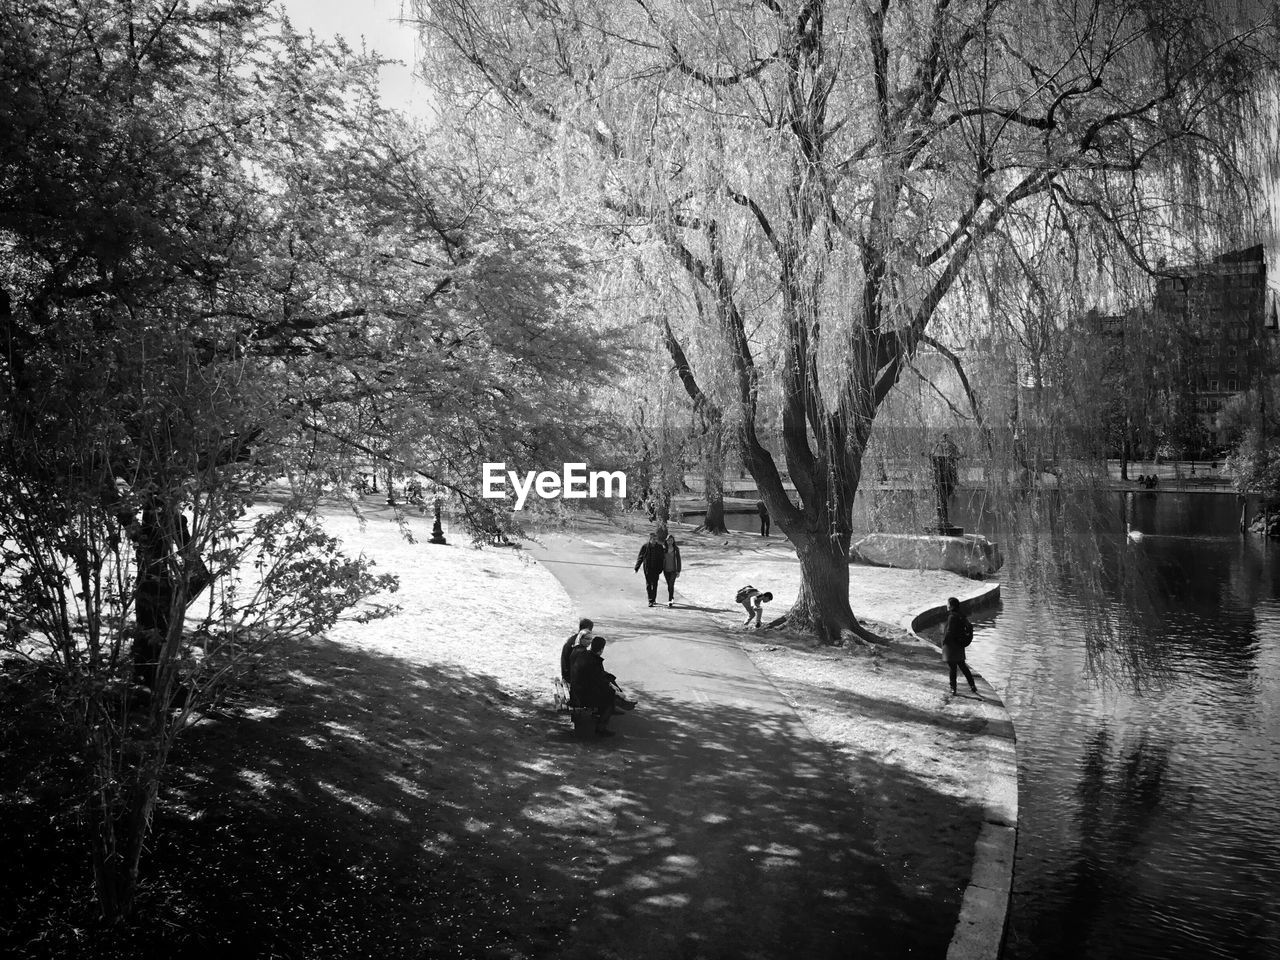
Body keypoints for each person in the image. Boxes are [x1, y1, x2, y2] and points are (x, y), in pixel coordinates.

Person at [569, 635, 623, 736]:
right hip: (581, 696)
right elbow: (599, 682)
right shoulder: (594, 661)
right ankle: (601, 728)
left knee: (609, 684)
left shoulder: (585, 655)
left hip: (576, 690)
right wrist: (614, 691)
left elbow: (597, 678)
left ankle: (604, 712)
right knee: (610, 697)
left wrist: (609, 683)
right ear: (601, 649)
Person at [941, 596, 979, 698]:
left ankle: (953, 688)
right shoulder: (962, 615)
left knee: (952, 668)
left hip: (951, 645)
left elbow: (949, 632)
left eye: (948, 604)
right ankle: (972, 685)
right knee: (962, 666)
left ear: (951, 606)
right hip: (959, 644)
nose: (947, 605)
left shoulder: (952, 617)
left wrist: (944, 643)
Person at [635, 532, 666, 607]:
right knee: (649, 584)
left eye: (656, 539)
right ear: (650, 539)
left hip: (656, 569)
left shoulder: (659, 547)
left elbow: (662, 558)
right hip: (648, 568)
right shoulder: (645, 546)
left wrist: (661, 568)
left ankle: (654, 599)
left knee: (655, 584)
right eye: (653, 539)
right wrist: (636, 567)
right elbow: (640, 557)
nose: (655, 541)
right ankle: (650, 600)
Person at [560, 617, 593, 684]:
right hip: (570, 676)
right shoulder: (578, 644)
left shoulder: (575, 639)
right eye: (590, 629)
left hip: (566, 673)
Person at [662, 535, 682, 607]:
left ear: (673, 541)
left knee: (671, 584)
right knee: (669, 585)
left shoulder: (676, 549)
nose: (670, 542)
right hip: (666, 570)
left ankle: (670, 600)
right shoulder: (664, 549)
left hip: (673, 570)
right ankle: (672, 596)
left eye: (671, 540)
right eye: (668, 540)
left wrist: (678, 570)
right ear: (666, 541)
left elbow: (678, 560)